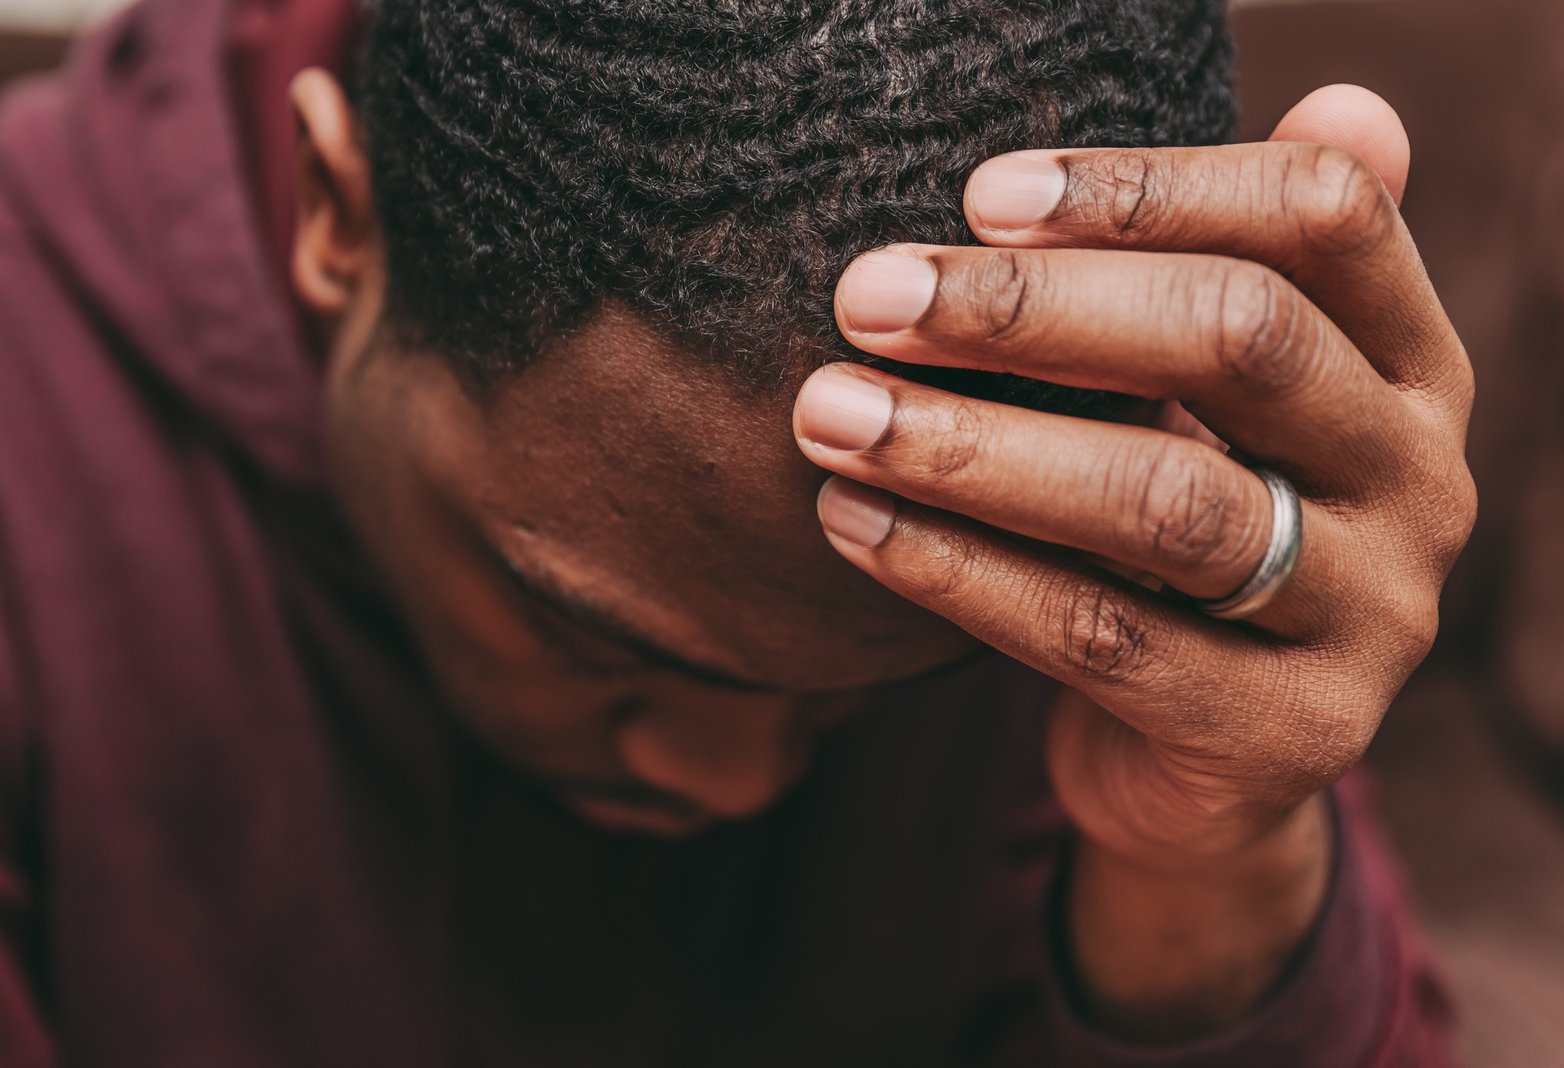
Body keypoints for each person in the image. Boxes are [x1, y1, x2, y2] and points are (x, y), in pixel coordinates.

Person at [0, 0, 1470, 1063]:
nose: (734, 775)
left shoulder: (1087, 482)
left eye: (874, 691)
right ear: (340, 214)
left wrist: (1213, 855)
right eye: (584, 635)